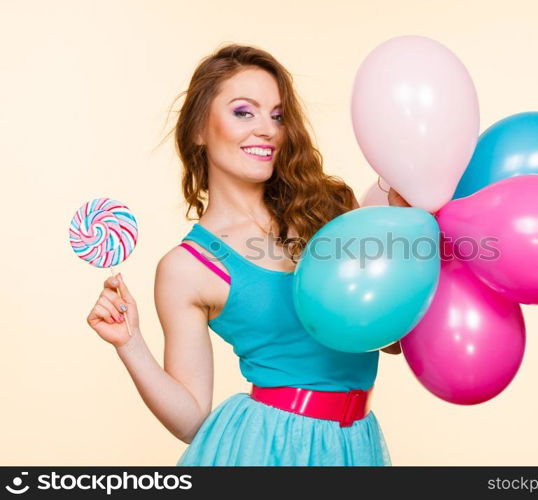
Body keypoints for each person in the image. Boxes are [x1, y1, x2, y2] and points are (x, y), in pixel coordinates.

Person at [85, 44, 409, 466]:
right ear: (199, 129)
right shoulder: (188, 267)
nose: (267, 130)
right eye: (244, 112)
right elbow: (191, 419)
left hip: (355, 443)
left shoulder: (326, 213)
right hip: (270, 448)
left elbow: (390, 342)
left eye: (277, 116)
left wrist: (405, 238)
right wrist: (130, 343)